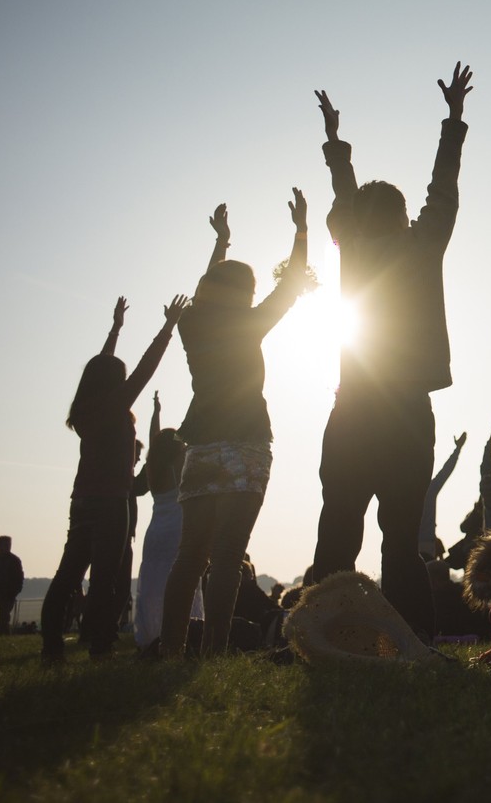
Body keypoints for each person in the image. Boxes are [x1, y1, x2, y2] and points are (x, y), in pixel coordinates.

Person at [307, 63, 474, 640]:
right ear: (402, 215)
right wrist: (452, 122)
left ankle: (318, 637)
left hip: (352, 407)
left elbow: (344, 198)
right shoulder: (422, 244)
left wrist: (335, 144)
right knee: (400, 538)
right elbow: (442, 190)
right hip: (406, 412)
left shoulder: (350, 249)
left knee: (338, 531)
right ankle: (415, 645)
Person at [160, 191, 311, 658]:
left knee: (190, 557)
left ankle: (170, 652)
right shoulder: (249, 324)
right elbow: (288, 289)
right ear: (244, 295)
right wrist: (301, 230)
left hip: (201, 447)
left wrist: (221, 244)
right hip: (245, 444)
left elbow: (206, 288)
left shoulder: (191, 325)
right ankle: (213, 651)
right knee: (227, 556)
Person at [43, 294, 187, 661]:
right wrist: (169, 326)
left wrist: (116, 328)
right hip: (110, 502)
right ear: (112, 382)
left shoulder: (85, 408)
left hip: (83, 500)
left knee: (68, 573)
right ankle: (101, 645)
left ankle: (51, 647)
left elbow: (99, 369)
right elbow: (146, 367)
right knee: (107, 575)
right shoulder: (113, 406)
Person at [133, 392, 202, 648]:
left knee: (154, 583)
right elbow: (190, 438)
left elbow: (154, 440)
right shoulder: (180, 462)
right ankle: (184, 631)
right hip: (177, 528)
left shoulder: (154, 467)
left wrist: (156, 413)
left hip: (155, 532)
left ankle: (152, 635)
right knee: (181, 581)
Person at [419, 432, 467, 559]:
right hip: (426, 545)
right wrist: (458, 449)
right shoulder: (429, 489)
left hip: (408, 544)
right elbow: (446, 471)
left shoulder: (403, 489)